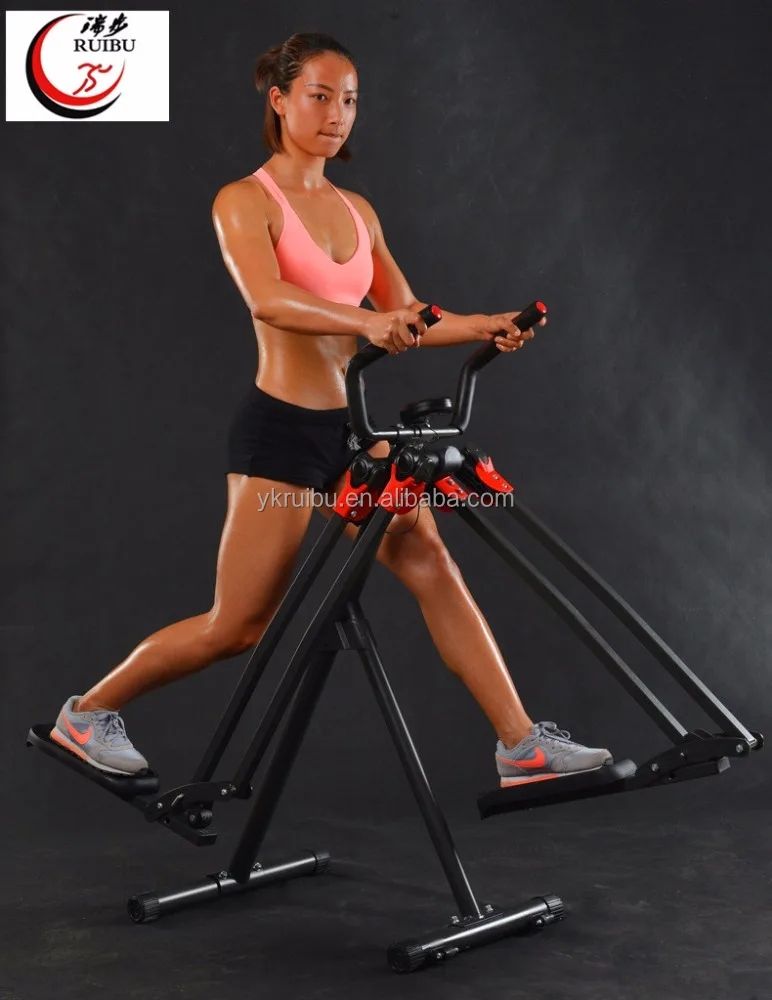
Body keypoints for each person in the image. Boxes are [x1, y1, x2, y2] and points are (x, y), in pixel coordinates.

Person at [50, 31, 613, 789]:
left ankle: (521, 745)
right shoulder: (246, 200)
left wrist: (485, 324)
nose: (337, 114)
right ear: (280, 100)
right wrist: (366, 323)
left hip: (353, 430)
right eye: (319, 96)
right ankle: (87, 712)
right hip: (281, 433)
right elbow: (268, 299)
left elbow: (407, 311)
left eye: (349, 100)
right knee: (237, 626)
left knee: (429, 558)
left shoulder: (357, 212)